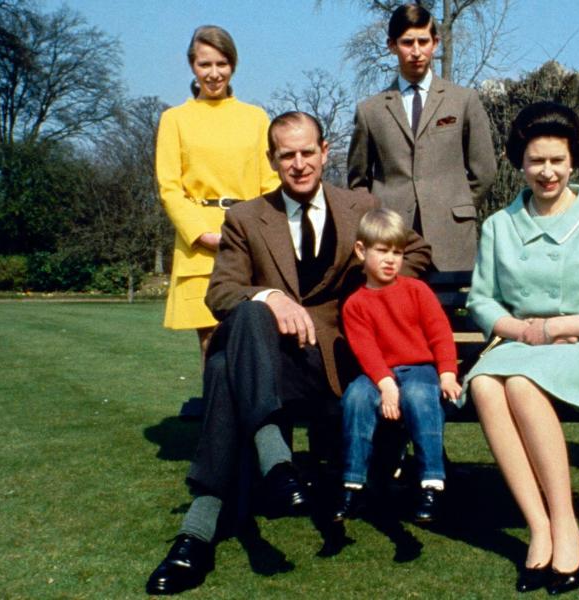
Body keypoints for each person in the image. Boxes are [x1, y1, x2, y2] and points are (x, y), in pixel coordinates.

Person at [145, 112, 432, 596]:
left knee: (221, 368)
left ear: (324, 152)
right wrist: (272, 298)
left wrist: (374, 284)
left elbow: (416, 253)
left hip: (338, 362)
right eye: (287, 155)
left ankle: (200, 529)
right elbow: (220, 293)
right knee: (248, 320)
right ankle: (274, 464)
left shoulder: (359, 206)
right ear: (272, 160)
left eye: (306, 152)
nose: (298, 164)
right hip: (274, 365)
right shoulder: (245, 217)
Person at [463, 102, 579, 594]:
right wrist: (519, 331)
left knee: (519, 383)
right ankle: (538, 525)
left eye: (557, 160)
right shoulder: (500, 224)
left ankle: (566, 526)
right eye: (537, 161)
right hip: (518, 341)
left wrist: (557, 329)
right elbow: (482, 299)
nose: (547, 171)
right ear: (521, 163)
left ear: (572, 162)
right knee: (487, 387)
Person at [156, 25, 279, 362]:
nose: (213, 74)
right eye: (204, 65)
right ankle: (218, 413)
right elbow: (169, 187)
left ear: (233, 65)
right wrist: (202, 234)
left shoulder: (255, 118)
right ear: (192, 67)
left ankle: (258, 414)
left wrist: (262, 233)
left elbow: (270, 183)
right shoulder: (174, 120)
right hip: (200, 245)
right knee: (213, 345)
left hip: (250, 239)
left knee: (256, 335)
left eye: (221, 64)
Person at [347, 3, 497, 271]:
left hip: (452, 237)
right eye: (407, 43)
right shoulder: (370, 110)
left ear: (435, 43)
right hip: (393, 239)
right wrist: (376, 219)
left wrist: (454, 205)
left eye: (423, 41)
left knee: (452, 311)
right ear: (391, 45)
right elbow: (358, 181)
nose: (416, 51)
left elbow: (484, 170)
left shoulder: (463, 100)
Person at [334, 208, 461, 524]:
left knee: (419, 395)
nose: (391, 259)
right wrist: (386, 385)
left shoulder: (416, 290)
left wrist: (447, 373)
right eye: (382, 251)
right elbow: (367, 352)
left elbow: (440, 333)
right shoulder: (355, 304)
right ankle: (354, 484)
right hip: (378, 375)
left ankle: (432, 482)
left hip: (419, 369)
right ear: (361, 251)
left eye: (398, 252)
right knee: (355, 397)